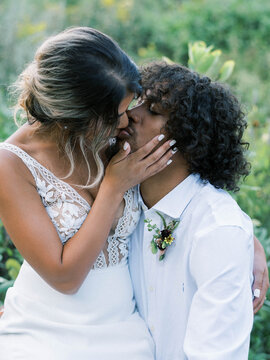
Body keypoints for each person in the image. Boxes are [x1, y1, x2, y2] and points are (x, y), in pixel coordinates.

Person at [0, 28, 175, 360]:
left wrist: (241, 238)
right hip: (46, 336)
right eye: (115, 114)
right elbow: (64, 277)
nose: (127, 121)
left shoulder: (111, 136)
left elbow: (185, 179)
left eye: (128, 106)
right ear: (75, 116)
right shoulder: (11, 165)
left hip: (126, 331)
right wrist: (112, 188)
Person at [126, 61, 269, 359]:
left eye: (153, 110)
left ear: (190, 139)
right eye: (138, 102)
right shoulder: (116, 197)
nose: (131, 115)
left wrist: (242, 239)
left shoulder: (218, 230)